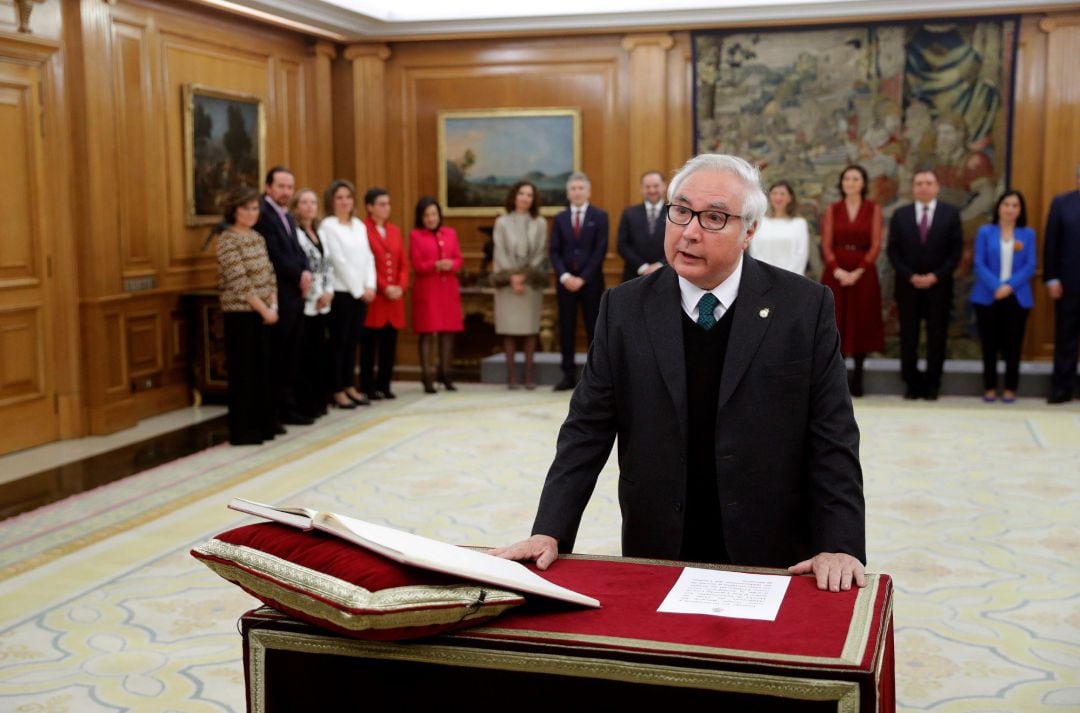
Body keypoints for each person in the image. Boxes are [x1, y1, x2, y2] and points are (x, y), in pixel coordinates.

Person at [493, 154, 866, 593]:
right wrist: (550, 529)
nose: (689, 231)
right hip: (659, 540)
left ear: (748, 231)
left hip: (772, 547)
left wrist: (841, 544)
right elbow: (585, 430)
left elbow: (833, 435)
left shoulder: (803, 307)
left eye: (713, 218)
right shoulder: (624, 309)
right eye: (681, 211)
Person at [886, 169, 963, 400]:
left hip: (939, 286)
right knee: (908, 336)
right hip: (907, 286)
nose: (924, 187)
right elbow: (893, 251)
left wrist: (935, 276)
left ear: (937, 187)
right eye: (919, 183)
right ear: (913, 187)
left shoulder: (950, 214)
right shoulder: (901, 215)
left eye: (929, 183)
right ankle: (911, 383)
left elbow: (955, 251)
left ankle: (932, 383)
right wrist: (911, 276)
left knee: (936, 336)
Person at [214, 186, 278, 446]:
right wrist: (263, 309)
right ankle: (244, 430)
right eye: (245, 209)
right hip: (241, 314)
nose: (251, 213)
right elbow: (239, 281)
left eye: (254, 208)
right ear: (234, 211)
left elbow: (269, 273)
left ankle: (264, 425)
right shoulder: (227, 240)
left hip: (264, 313)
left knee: (263, 371)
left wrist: (273, 304)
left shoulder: (257, 237)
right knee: (244, 373)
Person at [254, 166, 313, 426]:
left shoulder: (287, 216)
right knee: (277, 355)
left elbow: (297, 250)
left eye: (290, 187)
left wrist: (307, 271)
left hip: (295, 294)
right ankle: (273, 411)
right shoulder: (263, 215)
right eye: (281, 186)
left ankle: (288, 406)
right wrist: (299, 275)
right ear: (268, 187)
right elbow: (274, 254)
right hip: (277, 293)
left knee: (291, 355)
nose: (286, 192)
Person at [820, 166, 885, 397]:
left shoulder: (873, 209)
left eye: (856, 178)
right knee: (836, 322)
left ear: (863, 183)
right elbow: (826, 243)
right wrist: (836, 269)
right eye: (847, 178)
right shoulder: (832, 209)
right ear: (842, 183)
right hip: (836, 273)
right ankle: (837, 380)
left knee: (861, 322)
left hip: (863, 274)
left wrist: (859, 270)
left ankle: (858, 378)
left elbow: (876, 243)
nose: (851, 182)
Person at [969, 191, 1036, 403]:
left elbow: (1030, 265)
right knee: (989, 345)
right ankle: (989, 387)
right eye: (1006, 204)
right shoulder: (985, 232)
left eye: (1015, 205)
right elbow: (979, 263)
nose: (1010, 209)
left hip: (1017, 297)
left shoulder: (1027, 234)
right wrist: (997, 285)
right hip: (987, 296)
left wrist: (1008, 286)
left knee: (1013, 346)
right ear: (999, 207)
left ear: (1020, 210)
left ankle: (1010, 388)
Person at [318, 179, 376, 409]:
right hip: (342, 292)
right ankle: (337, 388)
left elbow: (368, 257)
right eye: (339, 197)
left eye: (348, 197)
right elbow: (338, 261)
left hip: (361, 292)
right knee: (339, 342)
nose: (344, 202)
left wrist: (370, 286)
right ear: (331, 201)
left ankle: (350, 384)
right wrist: (359, 290)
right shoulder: (328, 226)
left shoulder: (359, 225)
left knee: (353, 342)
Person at [550, 172, 609, 391]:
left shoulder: (600, 216)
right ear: (568, 193)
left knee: (594, 329)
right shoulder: (560, 218)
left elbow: (600, 250)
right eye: (573, 188)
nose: (577, 192)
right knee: (566, 328)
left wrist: (582, 278)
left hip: (591, 283)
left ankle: (594, 378)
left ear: (588, 191)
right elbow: (554, 251)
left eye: (580, 188)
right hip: (565, 284)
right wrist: (565, 277)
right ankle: (567, 375)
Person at [492, 181, 548, 390]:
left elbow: (541, 251)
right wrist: (512, 276)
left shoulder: (540, 222)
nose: (525, 198)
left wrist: (524, 276)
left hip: (530, 283)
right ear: (514, 196)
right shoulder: (502, 222)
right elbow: (499, 251)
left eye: (529, 195)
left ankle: (529, 376)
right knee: (509, 330)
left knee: (530, 330)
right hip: (507, 283)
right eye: (521, 193)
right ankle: (512, 377)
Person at [410, 197, 464, 394]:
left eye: (434, 214)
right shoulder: (416, 235)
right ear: (421, 217)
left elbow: (458, 258)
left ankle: (446, 374)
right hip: (427, 288)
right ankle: (427, 377)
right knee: (427, 333)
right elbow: (416, 264)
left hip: (448, 287)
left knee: (448, 332)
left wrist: (452, 264)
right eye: (426, 215)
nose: (431, 218)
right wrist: (434, 265)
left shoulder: (450, 233)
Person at [360, 188, 409, 400]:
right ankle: (367, 386)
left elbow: (403, 265)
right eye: (381, 204)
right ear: (370, 207)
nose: (386, 208)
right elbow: (364, 264)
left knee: (390, 344)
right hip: (376, 297)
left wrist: (401, 286)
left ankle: (385, 384)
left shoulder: (395, 231)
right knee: (370, 345)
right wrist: (383, 286)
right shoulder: (362, 229)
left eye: (388, 204)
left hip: (394, 299)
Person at [291, 188, 335, 419]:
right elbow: (303, 268)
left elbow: (327, 265)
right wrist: (316, 295)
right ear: (296, 206)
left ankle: (320, 400)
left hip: (323, 302)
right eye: (304, 202)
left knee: (320, 353)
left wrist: (328, 291)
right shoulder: (295, 233)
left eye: (313, 202)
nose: (309, 207)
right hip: (307, 303)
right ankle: (305, 403)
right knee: (305, 355)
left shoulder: (320, 232)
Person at [1044, 163, 1080, 404]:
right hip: (1068, 284)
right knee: (1065, 337)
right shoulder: (1061, 203)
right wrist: (1051, 277)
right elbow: (1051, 243)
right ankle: (1062, 388)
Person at [748, 180, 809, 275]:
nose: (778, 197)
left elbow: (800, 255)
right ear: (769, 197)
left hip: (792, 279)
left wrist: (786, 278)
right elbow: (755, 251)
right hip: (763, 277)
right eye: (774, 193)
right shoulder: (760, 222)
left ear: (790, 198)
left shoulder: (799, 223)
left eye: (782, 194)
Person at [617, 170, 667, 282]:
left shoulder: (675, 212)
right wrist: (643, 267)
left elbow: (679, 244)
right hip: (633, 277)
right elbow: (622, 245)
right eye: (647, 187)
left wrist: (660, 265)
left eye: (656, 186)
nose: (652, 190)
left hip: (666, 276)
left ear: (664, 186)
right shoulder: (629, 213)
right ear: (641, 189)